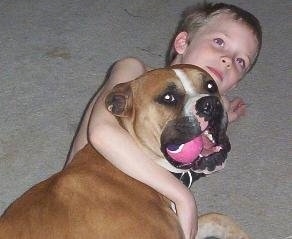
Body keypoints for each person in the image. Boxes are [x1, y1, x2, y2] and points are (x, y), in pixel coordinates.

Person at [65, 3, 262, 239]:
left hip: (142, 208)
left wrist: (222, 115)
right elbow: (101, 133)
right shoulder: (135, 73)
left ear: (234, 84)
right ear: (182, 43)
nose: (228, 60)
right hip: (89, 202)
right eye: (219, 42)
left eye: (241, 61)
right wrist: (182, 197)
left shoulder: (208, 108)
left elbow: (199, 109)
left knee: (222, 224)